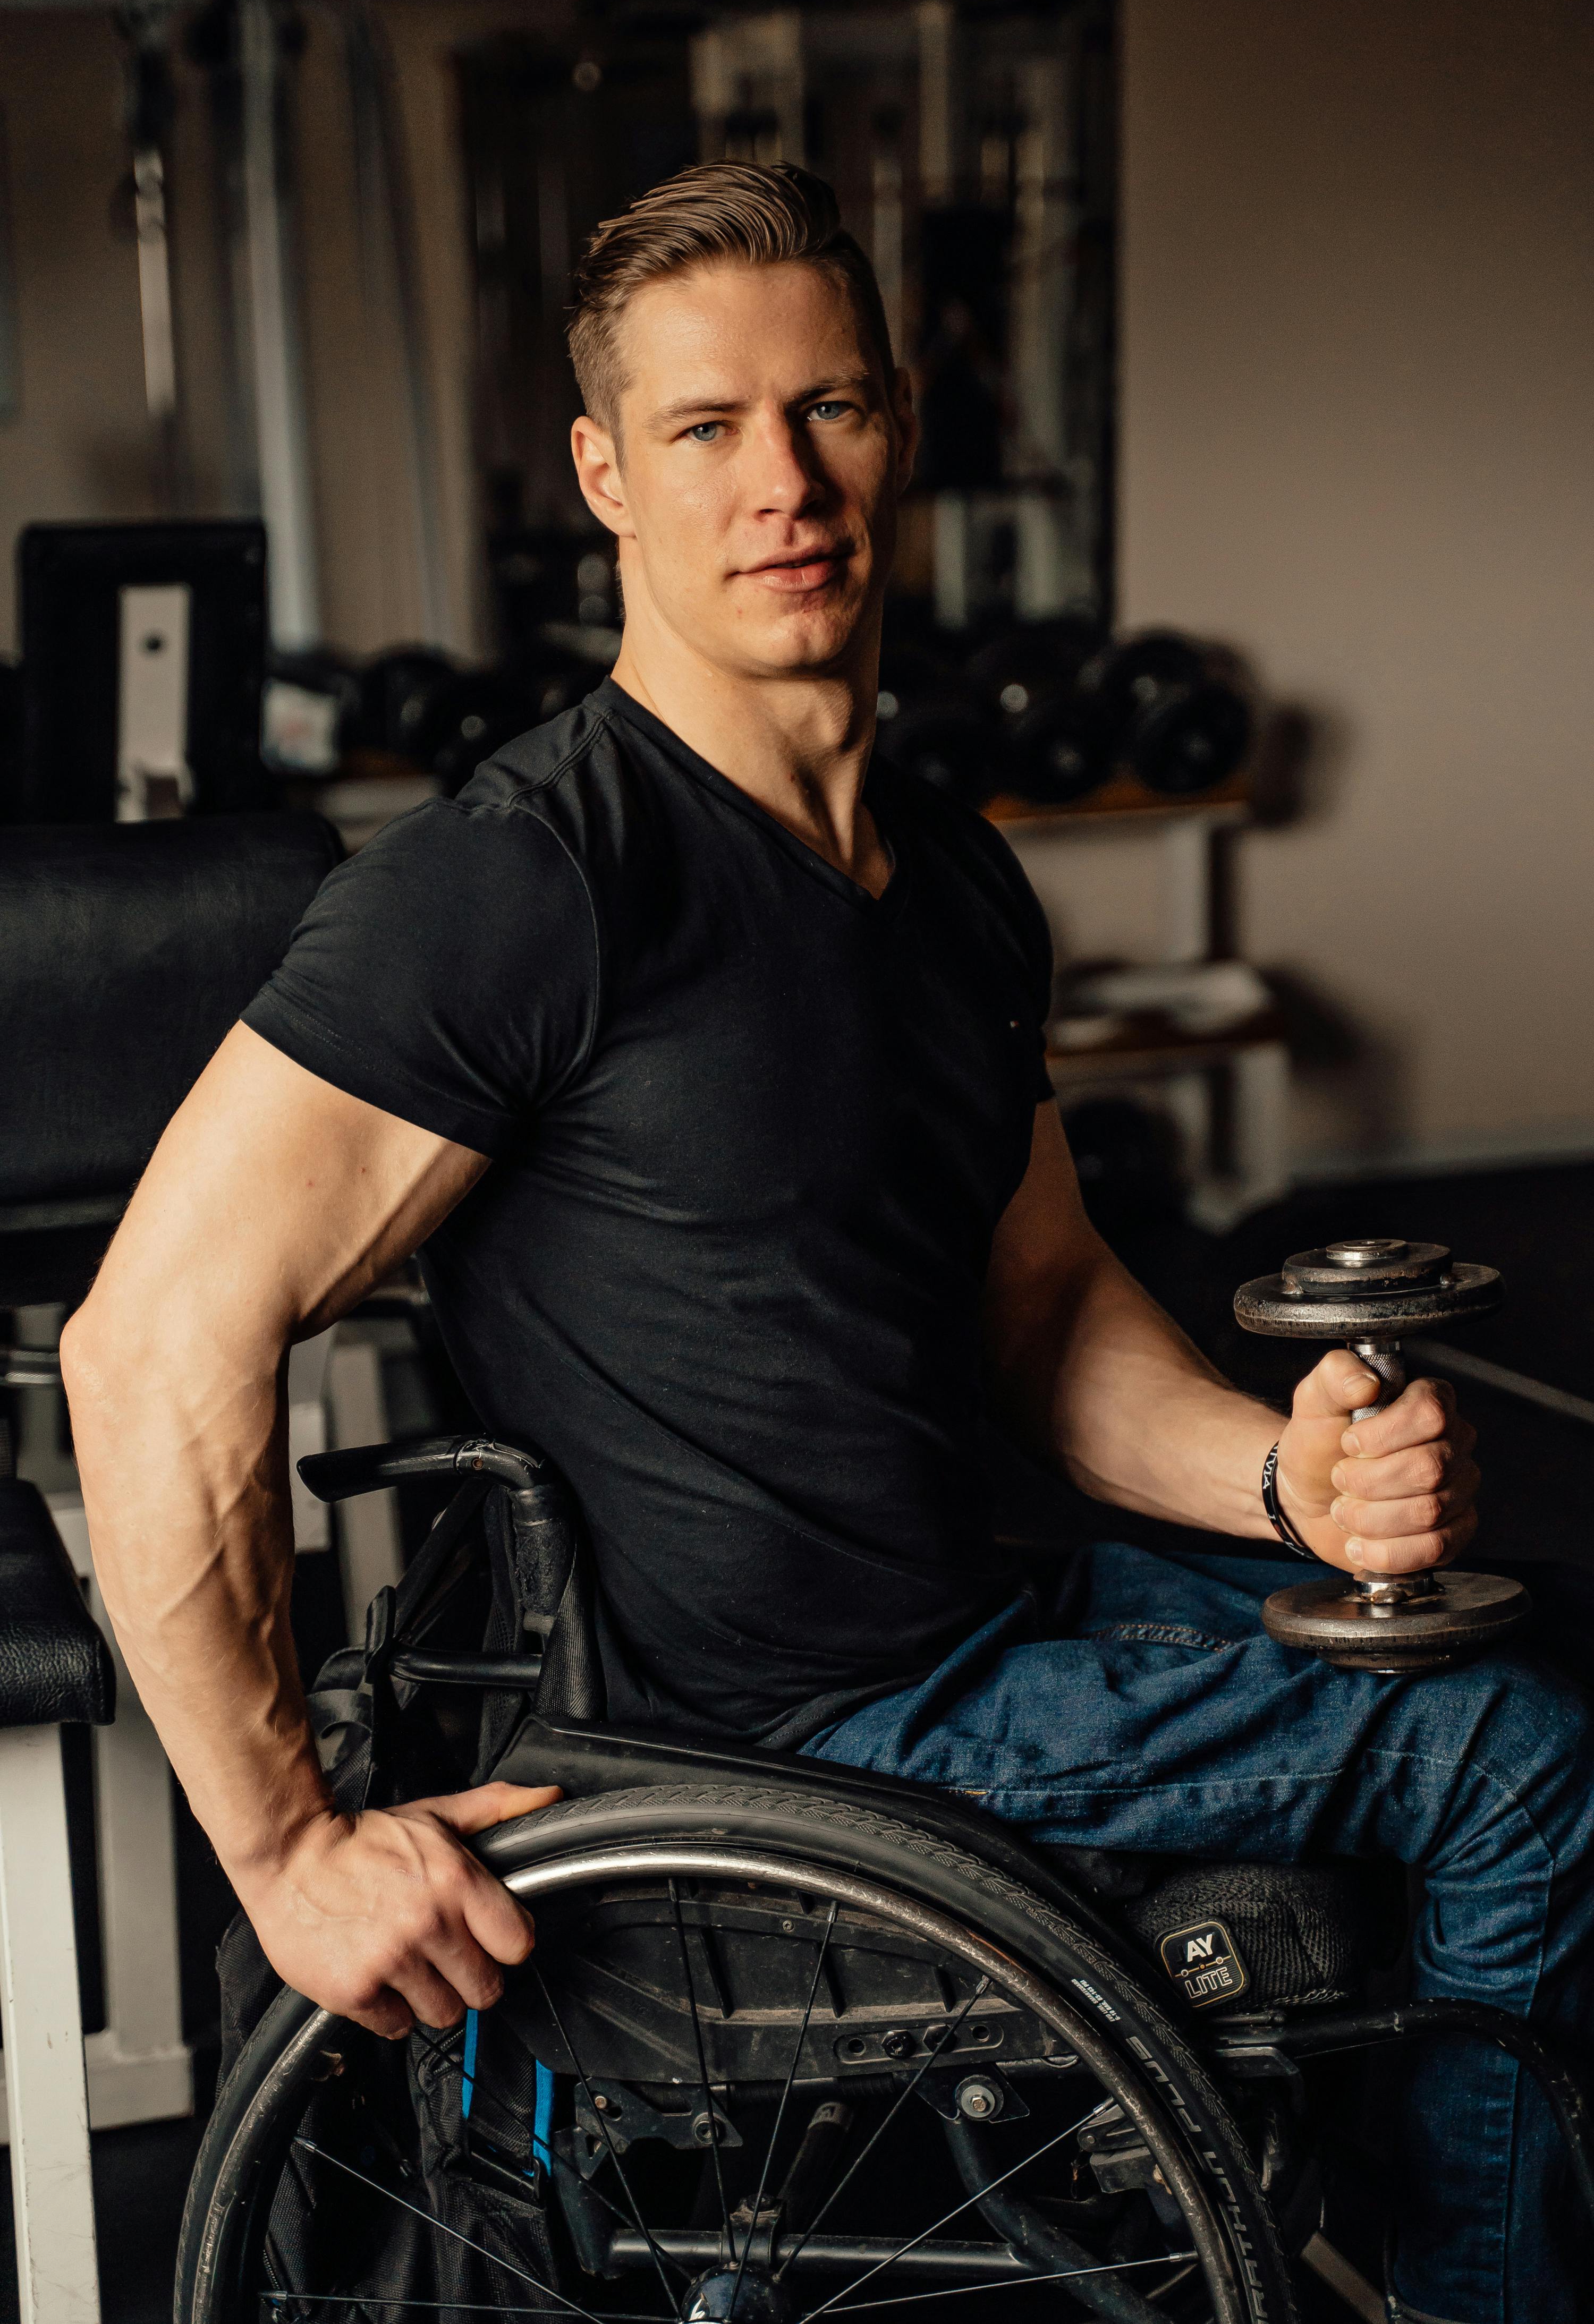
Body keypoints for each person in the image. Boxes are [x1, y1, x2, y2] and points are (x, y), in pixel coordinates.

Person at [63, 161, 1588, 2324]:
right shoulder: (524, 883)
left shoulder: (954, 879)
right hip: (802, 1731)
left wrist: (1284, 1475)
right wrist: (287, 1850)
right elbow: (149, 1344)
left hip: (988, 1618)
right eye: (704, 431)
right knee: (1508, 1752)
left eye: (832, 411)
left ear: (901, 436)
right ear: (605, 475)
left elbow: (1047, 1315)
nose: (781, 483)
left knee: (1525, 1629)